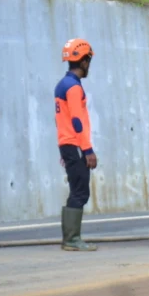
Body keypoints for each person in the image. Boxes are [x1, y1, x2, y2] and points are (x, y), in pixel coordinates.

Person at [55, 38, 99, 251]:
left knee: (76, 189)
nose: (89, 65)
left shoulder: (63, 84)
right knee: (80, 191)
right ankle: (71, 239)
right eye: (88, 60)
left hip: (68, 144)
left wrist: (64, 147)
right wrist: (87, 150)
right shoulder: (73, 87)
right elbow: (76, 121)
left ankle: (70, 238)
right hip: (75, 145)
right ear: (83, 62)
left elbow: (60, 120)